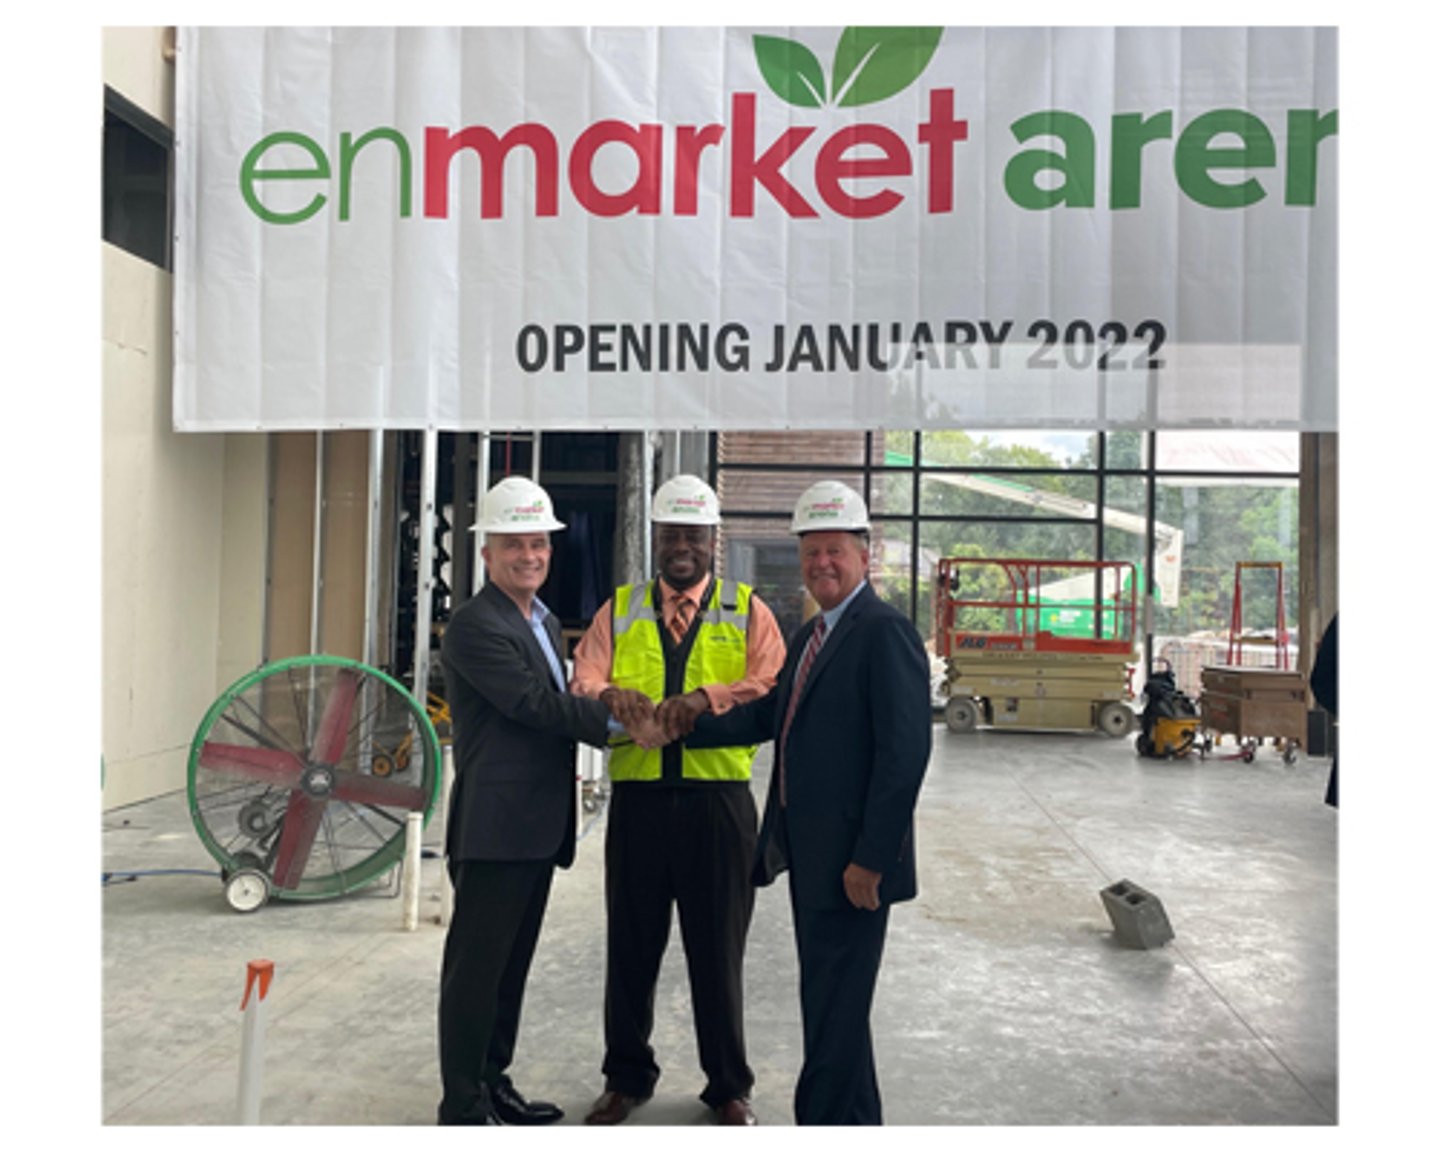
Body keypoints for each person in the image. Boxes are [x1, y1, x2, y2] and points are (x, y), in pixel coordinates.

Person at [687, 479, 932, 1125]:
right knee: (834, 1006)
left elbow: (903, 757)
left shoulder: (884, 632)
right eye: (811, 550)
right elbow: (773, 713)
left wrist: (871, 859)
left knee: (833, 1012)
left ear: (864, 554)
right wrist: (686, 724)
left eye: (834, 550)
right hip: (814, 854)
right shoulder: (813, 633)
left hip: (854, 865)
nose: (821, 563)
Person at [571, 474, 787, 1126]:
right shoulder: (622, 608)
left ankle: (728, 1086)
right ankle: (626, 1077)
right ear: (656, 538)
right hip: (638, 805)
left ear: (713, 539)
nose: (682, 546)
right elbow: (583, 675)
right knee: (631, 948)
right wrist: (611, 696)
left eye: (694, 534)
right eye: (672, 534)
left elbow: (772, 686)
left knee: (717, 951)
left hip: (718, 807)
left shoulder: (747, 609)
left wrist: (706, 699)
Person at [437, 476, 634, 1126]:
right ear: (487, 552)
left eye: (539, 544)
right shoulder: (474, 625)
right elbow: (532, 704)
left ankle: (495, 1083)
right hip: (495, 828)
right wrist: (623, 723)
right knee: (476, 972)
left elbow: (562, 692)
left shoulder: (544, 619)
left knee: (509, 970)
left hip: (537, 825)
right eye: (515, 544)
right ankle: (462, 1105)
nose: (531, 555)